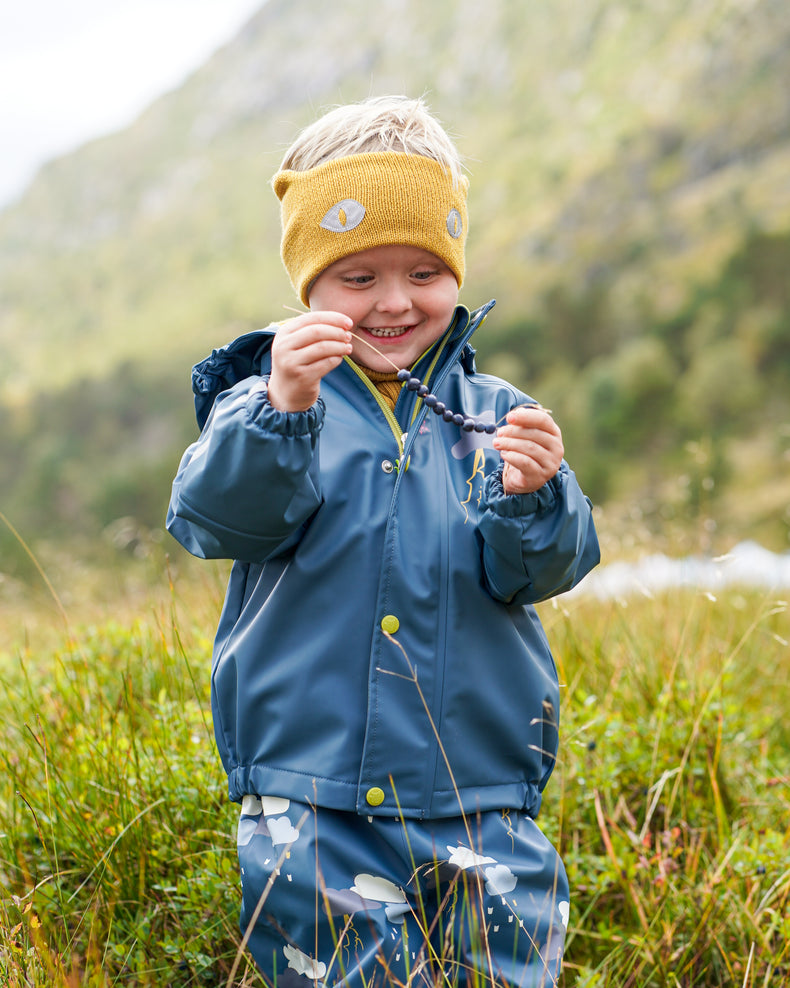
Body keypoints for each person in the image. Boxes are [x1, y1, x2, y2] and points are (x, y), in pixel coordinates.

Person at [167, 95, 600, 988]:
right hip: (309, 798)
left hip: (481, 790)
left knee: (510, 971)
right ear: (310, 286)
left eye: (423, 273)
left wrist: (538, 495)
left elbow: (545, 573)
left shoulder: (497, 414)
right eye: (357, 278)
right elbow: (214, 523)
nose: (394, 302)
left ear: (455, 270)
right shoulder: (270, 403)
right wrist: (280, 413)